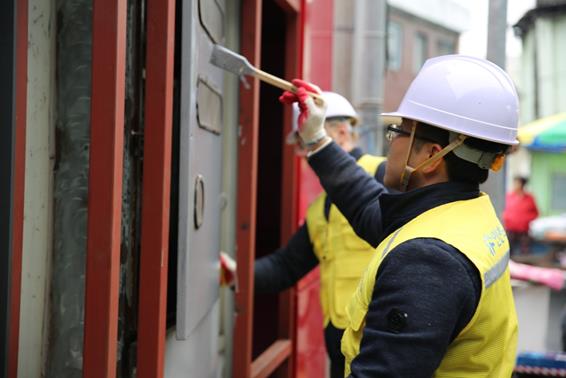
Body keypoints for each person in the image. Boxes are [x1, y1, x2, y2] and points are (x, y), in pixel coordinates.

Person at [279, 55, 519, 377]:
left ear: (432, 156)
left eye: (399, 132)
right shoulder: (465, 214)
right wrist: (316, 140)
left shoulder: (427, 260)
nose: (390, 143)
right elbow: (368, 206)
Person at [255, 91, 387, 378]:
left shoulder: (383, 173)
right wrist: (232, 274)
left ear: (341, 132)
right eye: (303, 145)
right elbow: (285, 266)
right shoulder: (320, 209)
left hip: (380, 344)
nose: (304, 156)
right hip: (342, 346)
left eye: (308, 141)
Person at [503, 175, 539, 255]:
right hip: (510, 230)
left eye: (517, 183)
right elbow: (505, 210)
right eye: (514, 183)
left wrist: (525, 220)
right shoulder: (509, 196)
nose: (515, 185)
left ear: (522, 185)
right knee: (508, 251)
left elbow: (536, 213)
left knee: (525, 252)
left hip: (524, 231)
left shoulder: (529, 198)